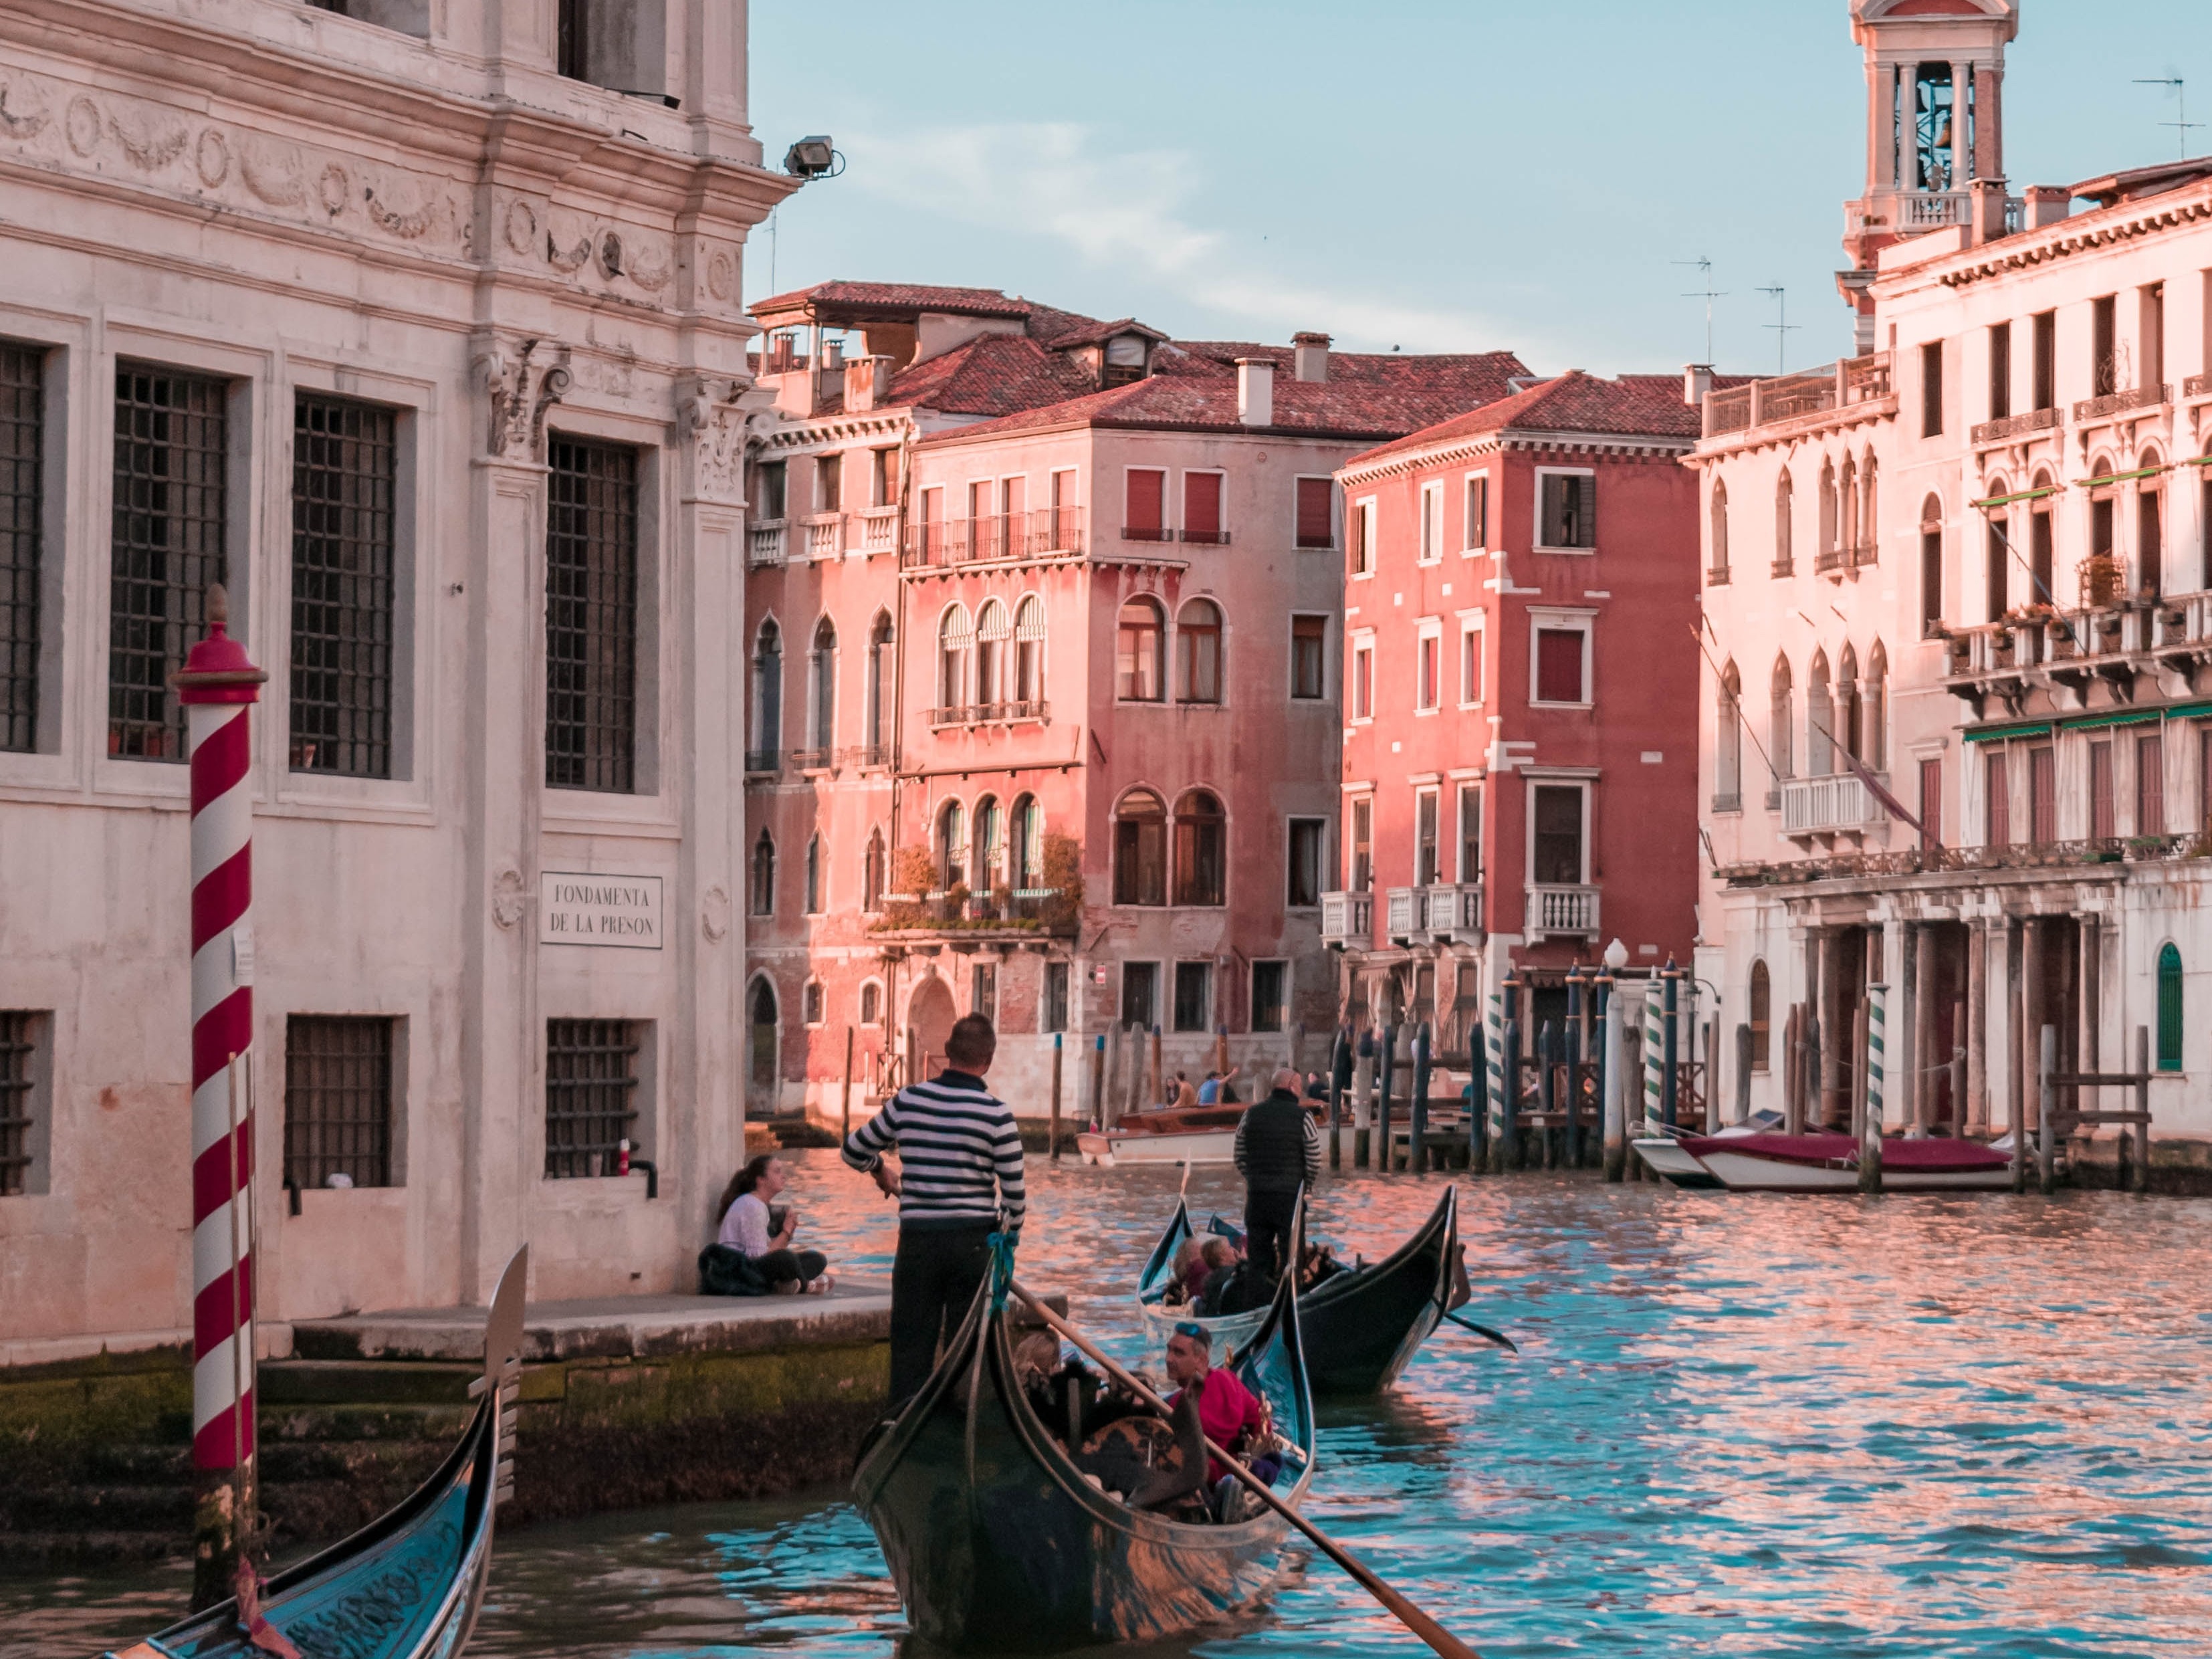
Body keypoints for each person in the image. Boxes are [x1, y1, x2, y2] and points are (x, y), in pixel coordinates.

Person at [842, 1012, 1026, 1405]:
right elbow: (1015, 1203)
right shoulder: (998, 1116)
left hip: (919, 1243)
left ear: (946, 1052)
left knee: (910, 1349)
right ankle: (958, 1437)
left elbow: (853, 1150)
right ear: (989, 1059)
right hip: (973, 1247)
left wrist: (881, 1171)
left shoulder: (907, 1101)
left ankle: (902, 1432)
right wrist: (1007, 1245)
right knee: (967, 1355)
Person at [1234, 1067, 1322, 1284]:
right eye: (1300, 1085)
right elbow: (1314, 1159)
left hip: (1258, 1197)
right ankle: (1291, 1297)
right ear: (1291, 1086)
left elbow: (1239, 1155)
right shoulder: (1304, 1116)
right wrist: (1305, 1186)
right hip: (1290, 1198)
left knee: (1257, 1260)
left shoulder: (1250, 1114)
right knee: (1291, 1257)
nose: (1301, 1090)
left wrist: (1254, 1178)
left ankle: (1255, 1303)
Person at [1164, 1321, 1270, 1492]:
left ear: (1202, 1360)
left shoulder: (1178, 1403)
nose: (1168, 1359)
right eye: (1169, 1350)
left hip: (1204, 1483)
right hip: (1233, 1473)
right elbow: (1261, 1422)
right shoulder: (1229, 1379)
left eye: (1179, 1353)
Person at [713, 1155, 833, 1293]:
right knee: (786, 1258)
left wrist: (788, 1232)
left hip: (753, 1267)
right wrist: (786, 1232)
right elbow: (759, 1255)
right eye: (777, 1172)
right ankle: (806, 1286)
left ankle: (785, 1285)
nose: (784, 1177)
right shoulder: (752, 1205)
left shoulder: (760, 1205)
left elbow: (769, 1250)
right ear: (761, 1180)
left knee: (816, 1259)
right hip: (739, 1272)